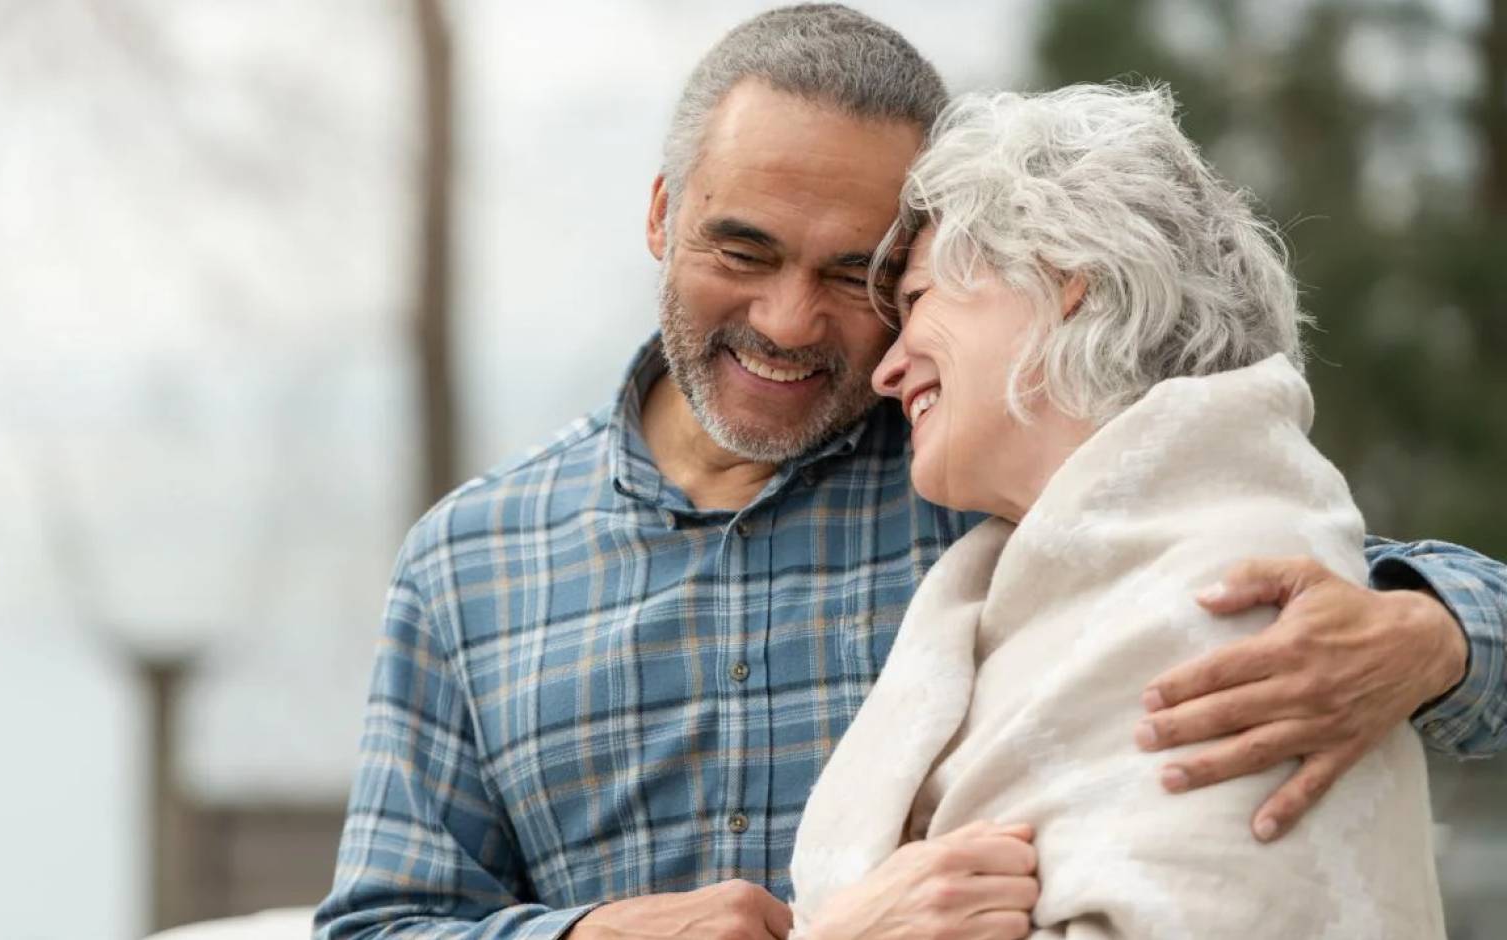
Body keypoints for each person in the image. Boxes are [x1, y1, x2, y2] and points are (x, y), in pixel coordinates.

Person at [315, 6, 1507, 939]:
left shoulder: (982, 464)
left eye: (857, 276)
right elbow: (378, 922)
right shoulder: (470, 560)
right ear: (662, 215)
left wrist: (1429, 633)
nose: (787, 320)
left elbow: (1235, 518)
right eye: (743, 249)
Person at [790, 82, 1444, 939]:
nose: (887, 370)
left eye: (916, 304)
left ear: (1062, 278)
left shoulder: (1238, 585)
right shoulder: (1049, 585)